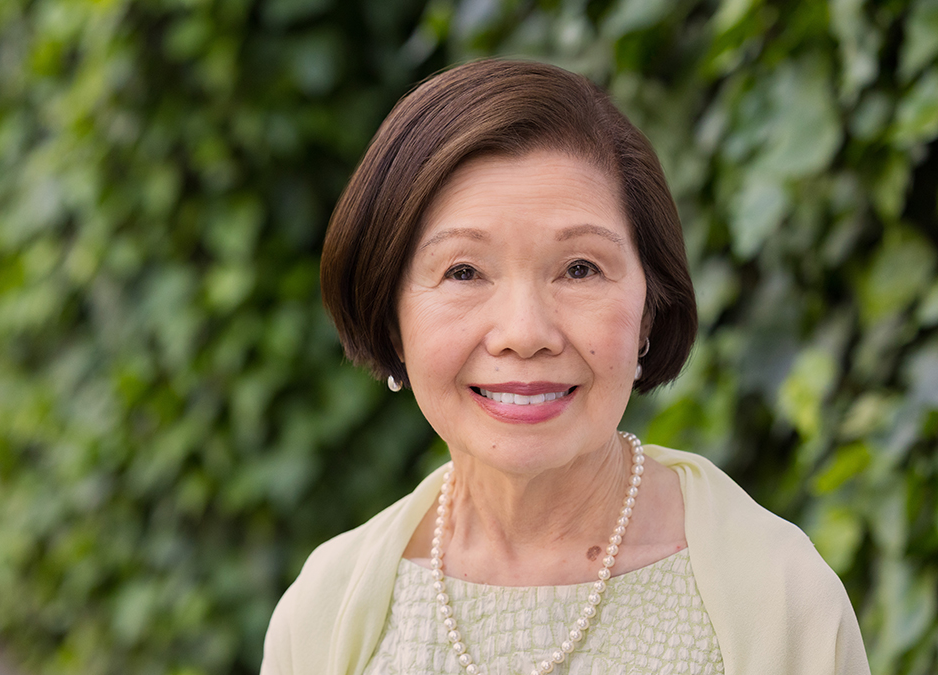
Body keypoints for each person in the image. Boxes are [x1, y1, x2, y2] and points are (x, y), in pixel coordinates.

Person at [261, 59, 869, 675]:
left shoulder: (782, 598)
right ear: (391, 317)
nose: (525, 334)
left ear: (649, 312)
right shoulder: (323, 614)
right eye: (464, 271)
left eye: (580, 269)